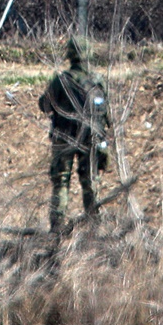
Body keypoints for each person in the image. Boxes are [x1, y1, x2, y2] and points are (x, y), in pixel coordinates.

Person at [39, 37, 114, 230]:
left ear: (70, 55)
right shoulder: (97, 81)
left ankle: (57, 227)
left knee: (61, 181)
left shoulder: (61, 80)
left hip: (64, 136)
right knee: (90, 182)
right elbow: (108, 115)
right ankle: (93, 228)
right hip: (92, 136)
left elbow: (44, 105)